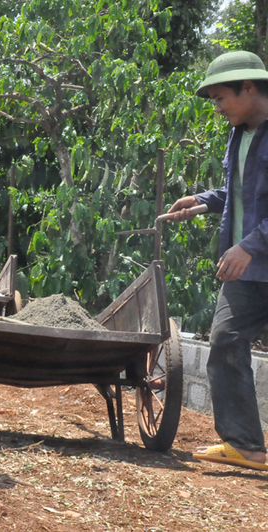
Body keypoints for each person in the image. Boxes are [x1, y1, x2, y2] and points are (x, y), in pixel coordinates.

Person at [166, 50, 268, 471]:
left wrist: (250, 246)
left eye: (221, 98)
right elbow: (244, 192)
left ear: (249, 88)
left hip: (252, 255)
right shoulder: (239, 135)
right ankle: (246, 445)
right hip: (249, 267)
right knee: (225, 340)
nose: (218, 108)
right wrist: (202, 201)